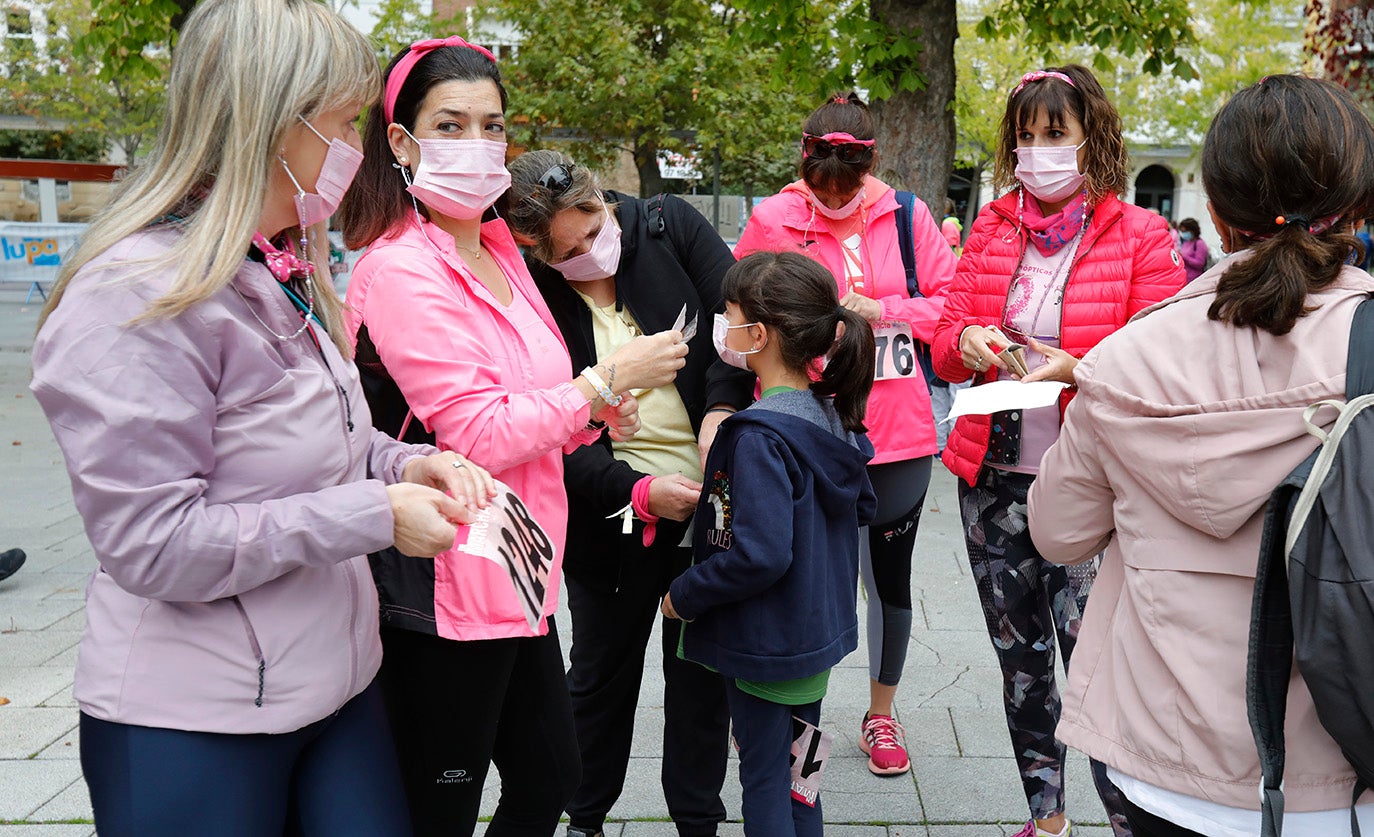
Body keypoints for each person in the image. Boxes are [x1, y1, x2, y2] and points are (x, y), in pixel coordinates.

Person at [26, 2, 495, 834]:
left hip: (333, 686)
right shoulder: (133, 295)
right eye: (345, 122)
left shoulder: (277, 266)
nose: (357, 148)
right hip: (194, 718)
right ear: (273, 121)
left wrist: (401, 464)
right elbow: (154, 542)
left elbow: (316, 442)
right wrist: (375, 514)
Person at [335, 38, 689, 837]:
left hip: (521, 569)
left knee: (550, 780)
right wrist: (603, 383)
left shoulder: (502, 249)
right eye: (451, 125)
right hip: (443, 580)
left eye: (492, 126)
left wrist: (592, 415)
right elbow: (478, 430)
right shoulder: (398, 270)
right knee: (443, 805)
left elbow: (530, 396)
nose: (479, 145)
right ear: (401, 141)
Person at [1030, 73, 1374, 837]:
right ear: (1355, 206)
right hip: (1346, 771)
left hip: (1165, 764)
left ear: (1215, 215)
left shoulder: (1125, 358)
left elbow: (1056, 532)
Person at [931, 64, 1186, 837]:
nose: (1038, 150)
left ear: (1090, 137)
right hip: (994, 481)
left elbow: (1162, 356)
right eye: (1026, 135)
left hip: (1091, 487)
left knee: (1098, 671)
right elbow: (942, 341)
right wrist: (968, 339)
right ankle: (1047, 817)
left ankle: (1125, 820)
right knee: (1022, 665)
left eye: (1055, 134)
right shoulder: (991, 225)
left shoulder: (1140, 233)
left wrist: (1079, 364)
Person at [504, 150, 752, 837]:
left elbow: (739, 333)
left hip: (707, 505)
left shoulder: (670, 227)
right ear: (535, 250)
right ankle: (584, 818)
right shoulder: (531, 288)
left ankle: (698, 820)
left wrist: (720, 412)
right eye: (567, 252)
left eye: (592, 230)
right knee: (598, 684)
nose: (588, 253)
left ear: (600, 196)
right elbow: (549, 434)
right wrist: (638, 491)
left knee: (701, 687)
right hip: (608, 519)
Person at [734, 92, 954, 777]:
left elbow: (951, 305)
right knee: (801, 574)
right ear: (804, 159)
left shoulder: (909, 215)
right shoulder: (774, 217)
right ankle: (798, 720)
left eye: (847, 185)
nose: (831, 197)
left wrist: (882, 310)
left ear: (870, 166)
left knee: (889, 577)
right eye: (819, 185)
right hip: (802, 430)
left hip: (897, 430)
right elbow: (738, 312)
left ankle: (881, 714)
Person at [661, 250, 877, 837]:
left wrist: (684, 594)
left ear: (756, 334)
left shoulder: (756, 436)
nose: (722, 329)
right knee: (801, 778)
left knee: (763, 778)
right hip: (813, 638)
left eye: (728, 315)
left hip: (766, 645)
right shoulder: (831, 415)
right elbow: (858, 506)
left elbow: (759, 553)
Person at [1177, 217, 1209, 282]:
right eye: (1182, 231)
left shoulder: (1199, 244)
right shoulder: (1186, 242)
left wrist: (1184, 257)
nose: (1183, 234)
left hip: (1193, 280)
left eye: (1185, 231)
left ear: (1192, 230)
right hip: (1184, 278)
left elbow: (1200, 264)